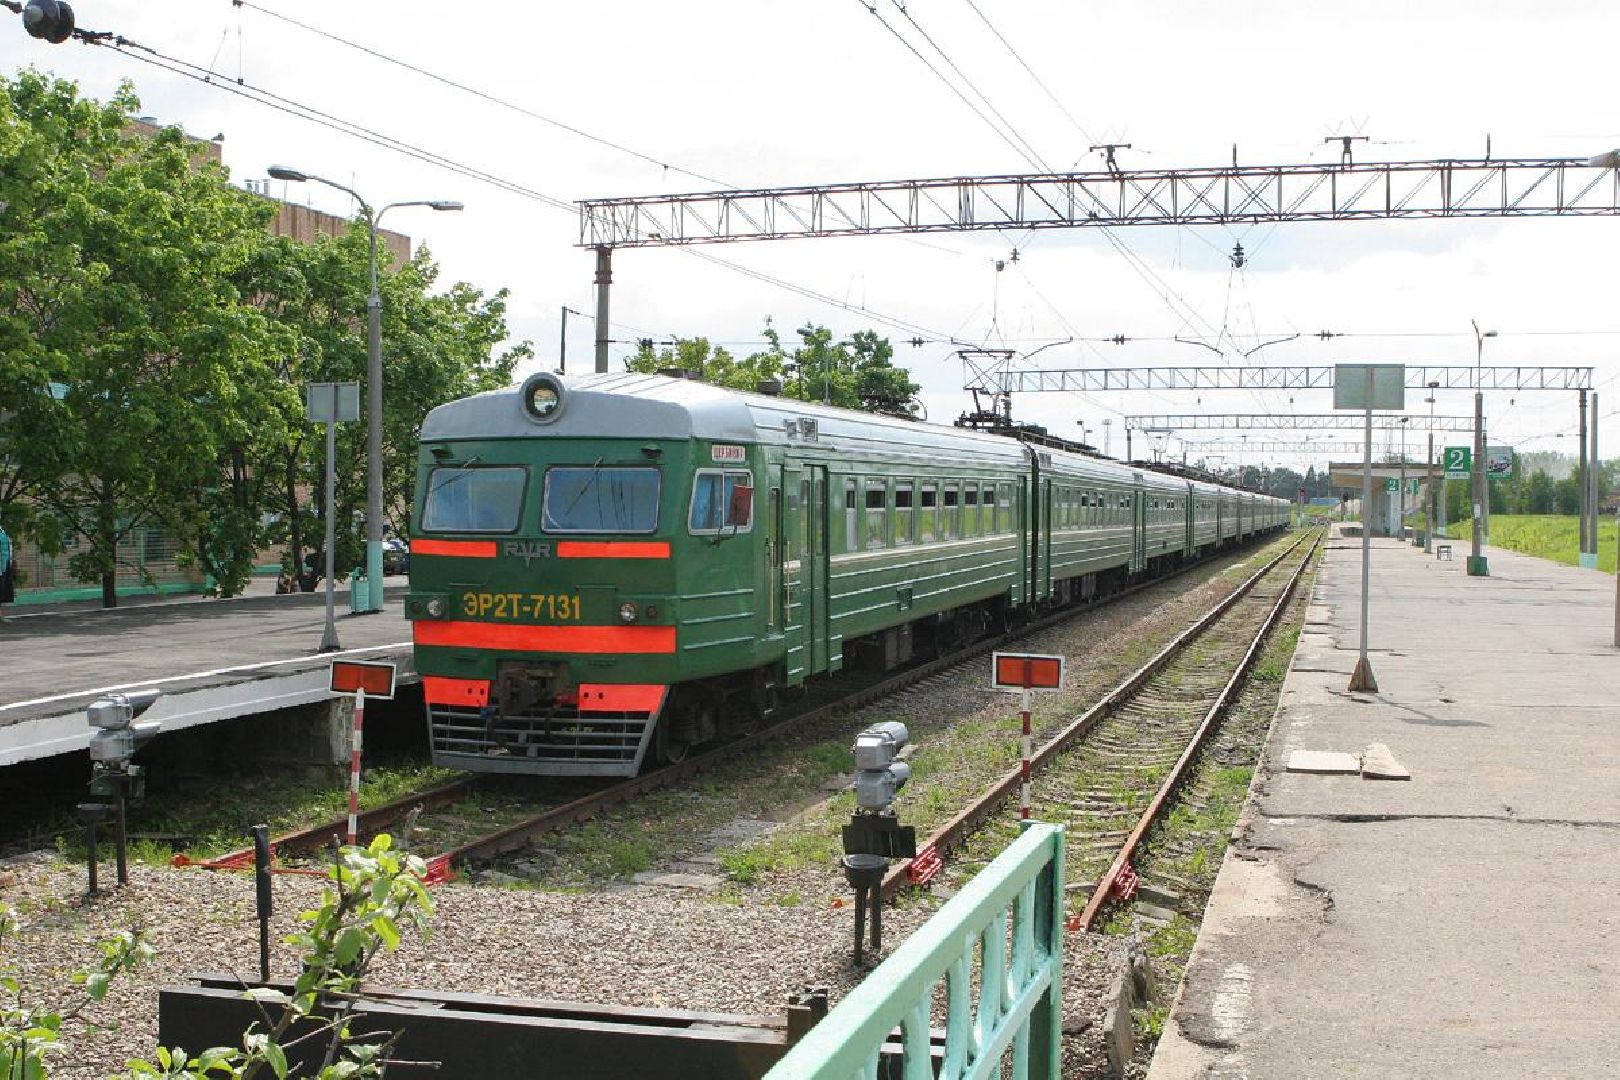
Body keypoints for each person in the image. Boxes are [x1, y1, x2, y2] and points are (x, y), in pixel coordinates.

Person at [0, 521, 14, 622]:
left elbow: (8, 549)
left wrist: (11, 561)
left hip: (4, 565)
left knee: (1, 590)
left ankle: (0, 615)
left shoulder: (3, 532)